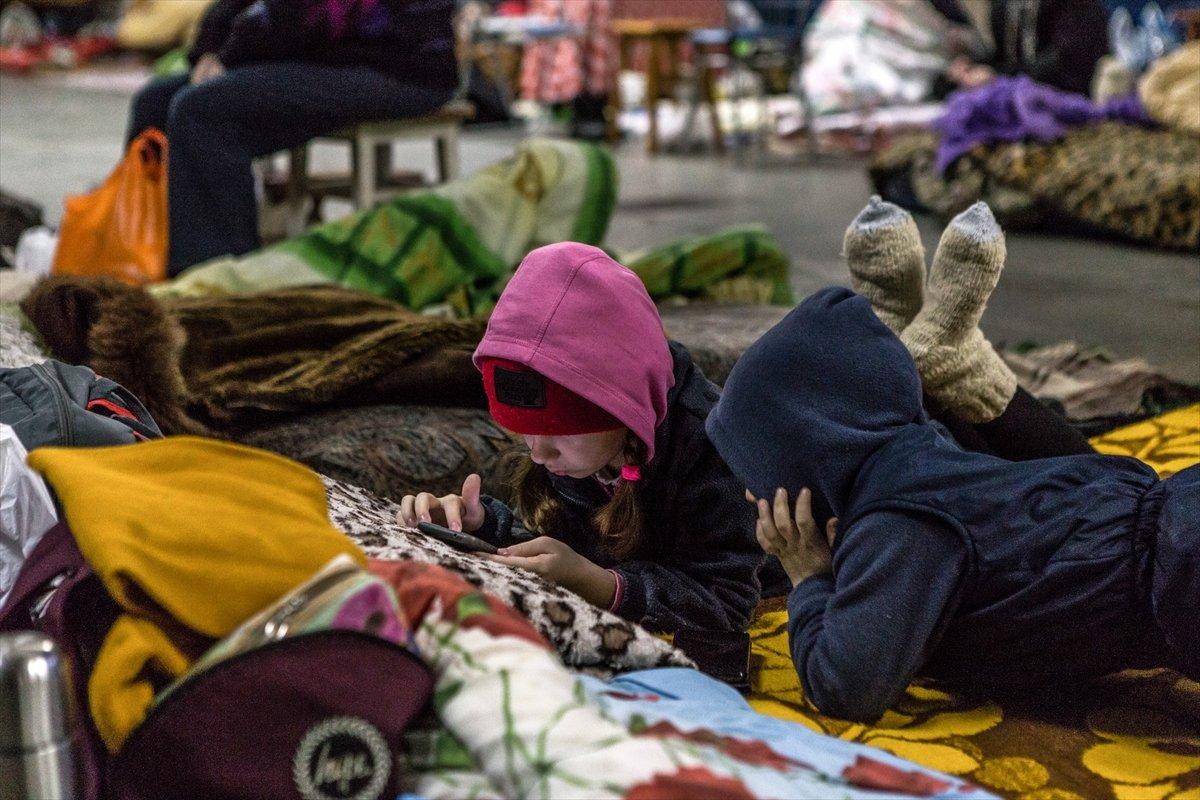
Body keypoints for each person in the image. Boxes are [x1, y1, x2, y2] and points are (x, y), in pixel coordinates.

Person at [704, 200, 1198, 722]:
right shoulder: (927, 454)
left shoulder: (896, 525)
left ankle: (928, 348)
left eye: (758, 473)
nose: (751, 494)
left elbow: (844, 685)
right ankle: (932, 354)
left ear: (811, 455)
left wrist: (809, 579)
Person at [397, 242, 764, 634]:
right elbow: (560, 548)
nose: (539, 453)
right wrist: (481, 526)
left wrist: (601, 586)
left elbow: (728, 600)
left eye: (559, 432)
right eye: (525, 431)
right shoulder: (582, 450)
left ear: (622, 410)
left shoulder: (715, 446)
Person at [125, 0, 458, 275]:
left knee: (203, 110)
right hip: (326, 54)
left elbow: (304, 16)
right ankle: (141, 253)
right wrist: (209, 52)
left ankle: (216, 276)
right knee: (155, 102)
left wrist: (228, 58)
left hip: (400, 66)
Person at [934, 0, 1111, 95]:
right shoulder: (1005, 9)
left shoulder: (1075, 6)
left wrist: (995, 76)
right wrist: (968, 70)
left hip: (1070, 93)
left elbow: (1066, 64)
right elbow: (1006, 60)